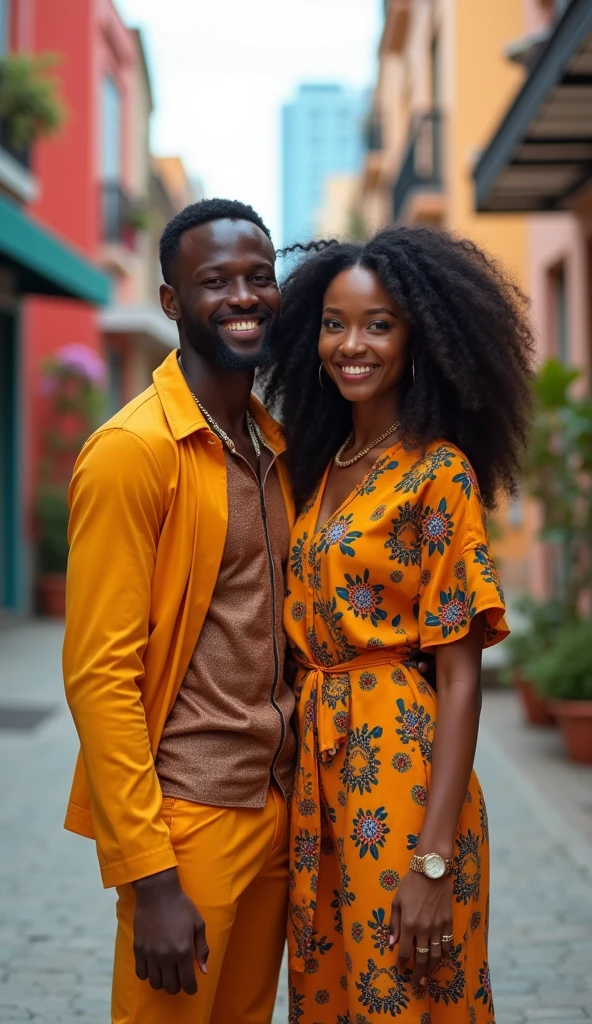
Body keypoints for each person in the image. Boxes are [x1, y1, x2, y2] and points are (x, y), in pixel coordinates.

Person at [264, 227, 534, 1023]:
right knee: (329, 998)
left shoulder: (436, 472)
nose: (353, 344)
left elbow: (459, 679)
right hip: (318, 782)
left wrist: (434, 858)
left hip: (402, 784)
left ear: (418, 335)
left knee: (407, 1002)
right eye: (334, 322)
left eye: (378, 324)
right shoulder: (317, 468)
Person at [63, 198, 296, 1024]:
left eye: (259, 278)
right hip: (188, 819)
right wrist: (149, 874)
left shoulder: (276, 447)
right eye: (216, 281)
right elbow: (99, 675)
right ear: (171, 302)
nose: (243, 296)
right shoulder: (133, 453)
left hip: (276, 811)